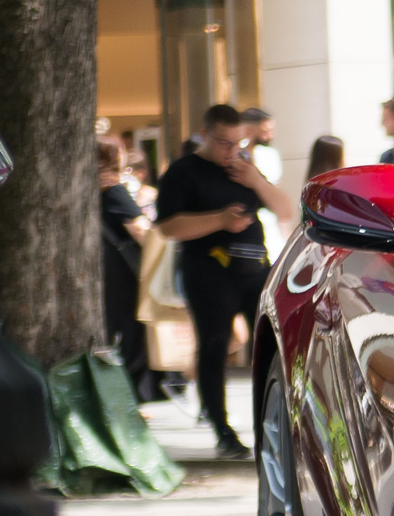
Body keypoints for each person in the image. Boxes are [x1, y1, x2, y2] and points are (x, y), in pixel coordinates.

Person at [152, 103, 295, 459]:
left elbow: (286, 210)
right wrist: (219, 220)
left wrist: (255, 180)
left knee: (272, 348)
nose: (230, 151)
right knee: (214, 347)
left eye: (236, 143)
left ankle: (278, 426)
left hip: (254, 269)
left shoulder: (245, 168)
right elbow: (168, 227)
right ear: (204, 134)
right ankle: (222, 429)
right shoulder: (183, 173)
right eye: (223, 143)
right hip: (209, 273)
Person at [97, 138, 154, 399]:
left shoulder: (88, 189)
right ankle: (131, 397)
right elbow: (140, 229)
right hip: (124, 275)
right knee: (132, 337)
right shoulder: (113, 190)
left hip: (103, 274)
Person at [241, 107, 284, 254]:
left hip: (269, 224)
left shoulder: (270, 155)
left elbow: (278, 192)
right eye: (266, 130)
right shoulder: (235, 153)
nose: (271, 134)